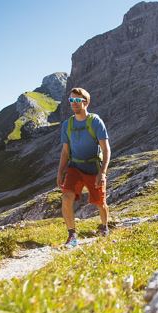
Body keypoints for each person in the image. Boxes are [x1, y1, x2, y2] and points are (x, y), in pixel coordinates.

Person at [56, 87, 111, 248]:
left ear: (85, 102)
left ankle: (104, 227)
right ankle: (72, 235)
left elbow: (106, 149)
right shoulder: (67, 124)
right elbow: (65, 151)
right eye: (71, 100)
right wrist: (60, 172)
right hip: (74, 167)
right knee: (66, 197)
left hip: (94, 167)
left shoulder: (95, 121)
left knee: (100, 203)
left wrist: (102, 172)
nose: (73, 103)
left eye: (77, 100)